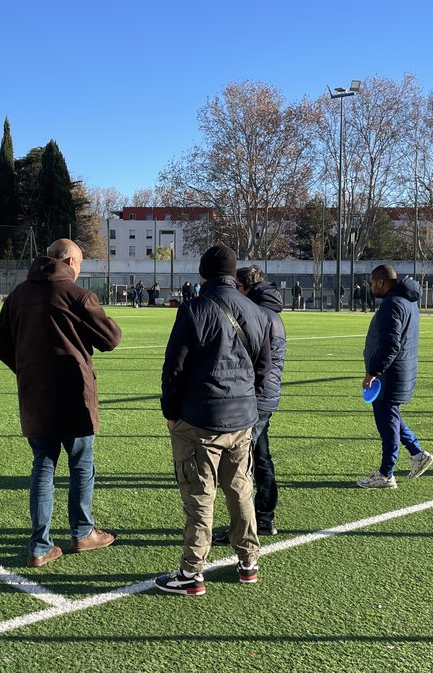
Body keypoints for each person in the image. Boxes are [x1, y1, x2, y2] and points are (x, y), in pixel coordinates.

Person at [0, 238, 122, 568]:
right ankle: (82, 532)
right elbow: (111, 338)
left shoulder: (19, 295)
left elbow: (0, 343)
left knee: (43, 467)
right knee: (81, 465)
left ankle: (40, 545)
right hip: (74, 394)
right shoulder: (76, 294)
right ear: (70, 262)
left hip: (35, 395)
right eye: (79, 263)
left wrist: (25, 368)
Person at [156, 244, 271, 596]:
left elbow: (173, 369)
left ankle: (192, 572)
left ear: (203, 274)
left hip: (201, 418)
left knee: (199, 496)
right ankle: (248, 561)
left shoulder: (194, 309)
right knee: (240, 490)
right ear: (233, 275)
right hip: (242, 418)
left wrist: (171, 414)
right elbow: (264, 370)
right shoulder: (257, 311)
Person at [212, 265, 285, 544]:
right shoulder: (270, 313)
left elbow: (255, 362)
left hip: (256, 397)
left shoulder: (258, 314)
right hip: (266, 394)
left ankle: (244, 528)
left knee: (243, 463)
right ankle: (263, 518)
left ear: (245, 288)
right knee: (260, 457)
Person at [358, 265, 433, 488]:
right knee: (391, 417)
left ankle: (386, 473)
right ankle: (417, 453)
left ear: (382, 282)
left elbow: (391, 345)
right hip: (399, 370)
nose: (371, 287)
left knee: (387, 423)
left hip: (390, 374)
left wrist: (373, 372)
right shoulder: (407, 302)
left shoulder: (392, 304)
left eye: (372, 283)